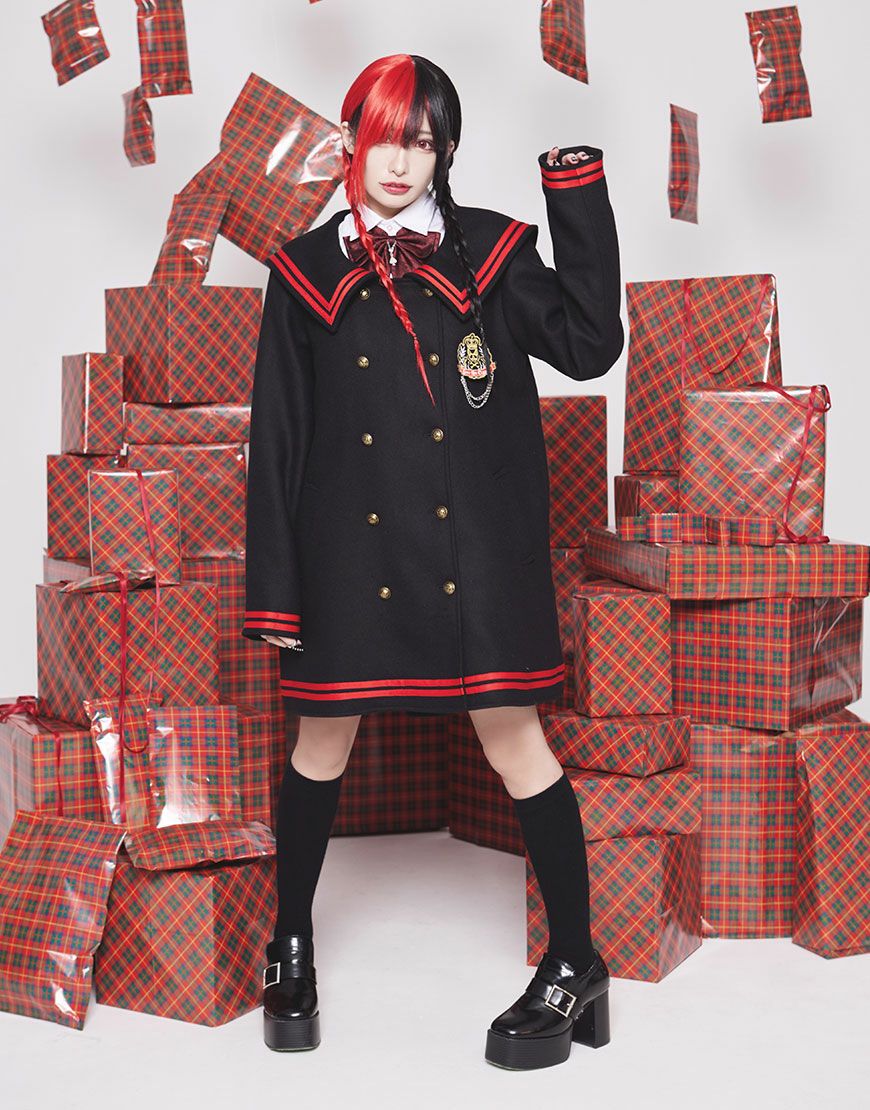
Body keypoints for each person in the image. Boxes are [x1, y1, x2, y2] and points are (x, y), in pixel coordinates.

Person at [243, 53, 624, 1070]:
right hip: (349, 554)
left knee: (517, 740)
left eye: (421, 142)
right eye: (383, 137)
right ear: (348, 141)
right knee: (320, 741)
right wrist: (277, 593)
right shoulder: (301, 272)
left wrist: (575, 192)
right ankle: (291, 944)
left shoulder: (489, 253)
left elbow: (590, 346)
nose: (400, 161)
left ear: (445, 151)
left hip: (477, 554)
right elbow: (278, 438)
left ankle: (575, 963)